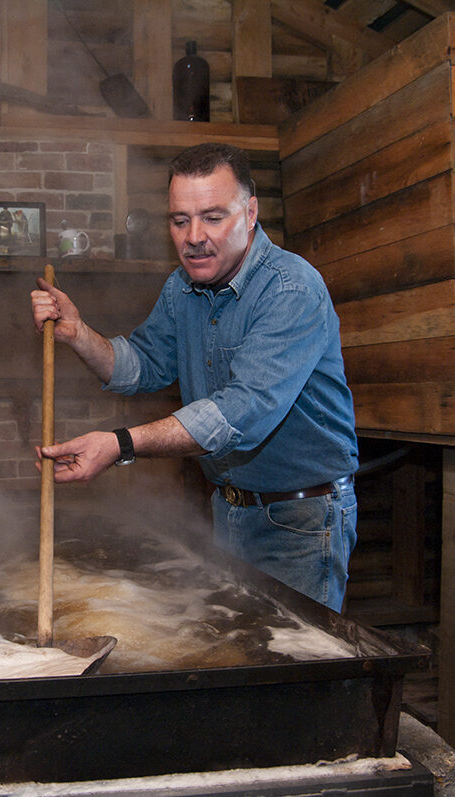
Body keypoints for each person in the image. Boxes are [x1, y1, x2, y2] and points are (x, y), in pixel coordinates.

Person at [30, 142, 358, 612]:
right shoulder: (181, 288)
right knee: (236, 659)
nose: (193, 237)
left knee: (286, 675)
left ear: (250, 213)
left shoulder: (292, 288)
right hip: (229, 510)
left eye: (213, 217)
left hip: (301, 520)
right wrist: (80, 334)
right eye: (180, 220)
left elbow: (239, 417)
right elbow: (139, 366)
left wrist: (119, 444)